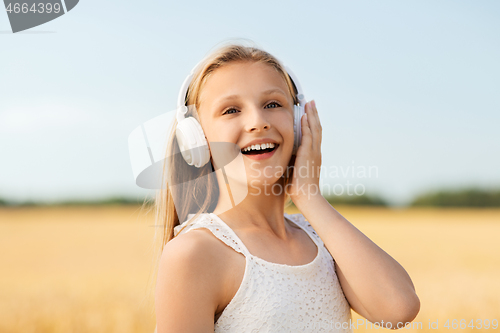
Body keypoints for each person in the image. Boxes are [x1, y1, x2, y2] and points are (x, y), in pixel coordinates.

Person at [153, 42, 420, 332]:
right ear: (196, 139)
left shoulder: (321, 235)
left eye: (272, 104)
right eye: (231, 110)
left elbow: (398, 308)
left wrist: (309, 196)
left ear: (297, 122)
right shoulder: (196, 252)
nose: (258, 122)